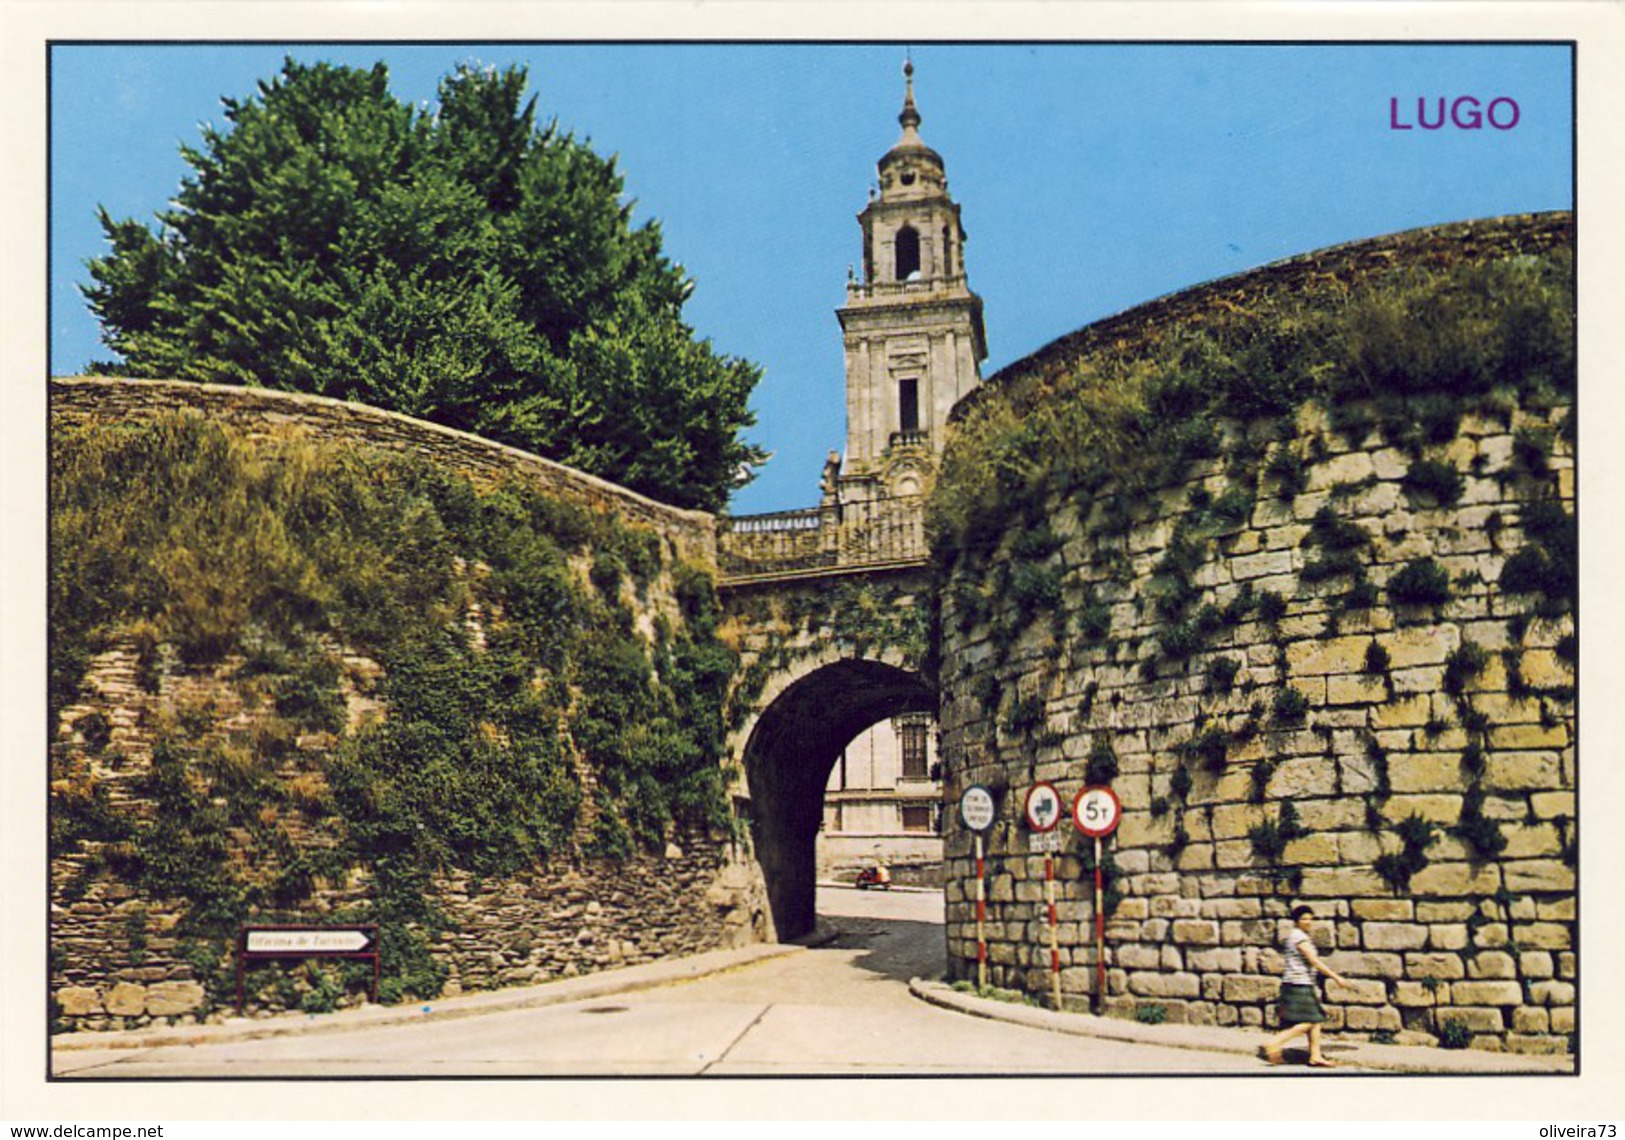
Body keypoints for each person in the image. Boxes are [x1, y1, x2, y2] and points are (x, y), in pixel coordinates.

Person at [1260, 904, 1349, 1067]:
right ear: (1296, 921)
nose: (1308, 922)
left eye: (1310, 918)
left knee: (1315, 1020)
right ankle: (1274, 1042)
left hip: (1300, 983)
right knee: (1311, 1020)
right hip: (1298, 984)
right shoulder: (1299, 937)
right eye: (1304, 918)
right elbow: (1314, 961)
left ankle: (1315, 1056)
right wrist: (1336, 978)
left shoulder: (1296, 936)